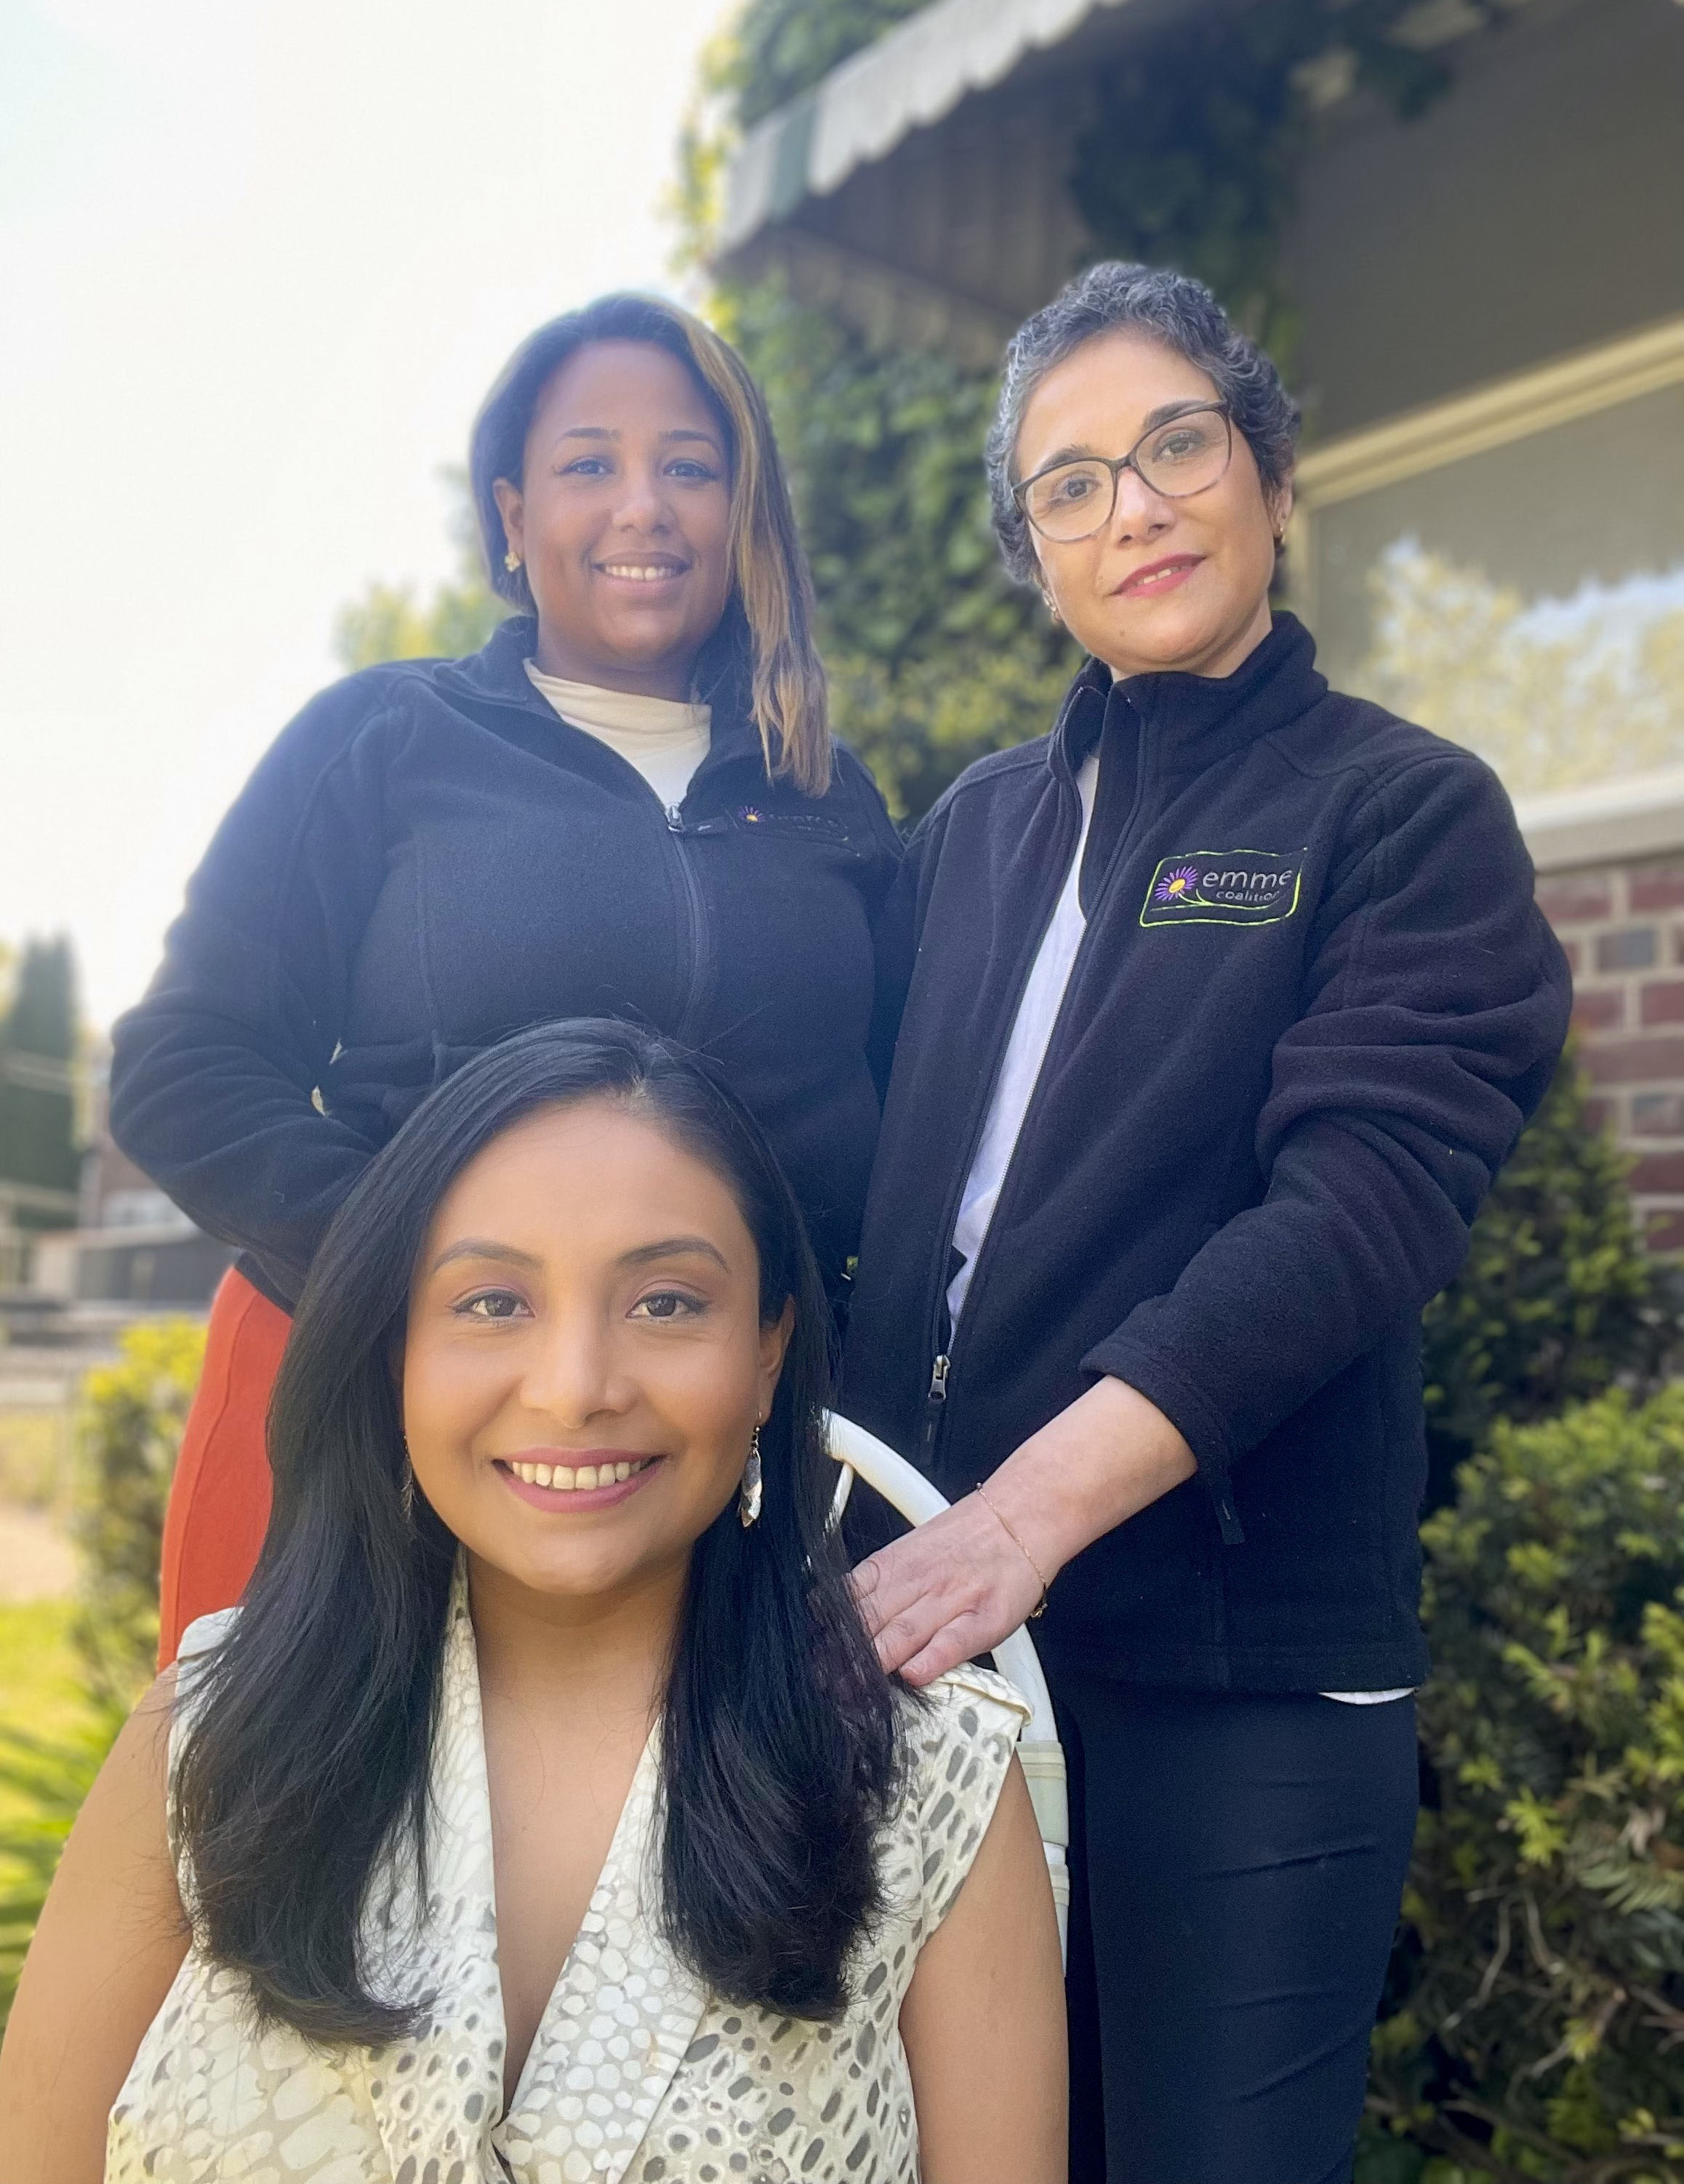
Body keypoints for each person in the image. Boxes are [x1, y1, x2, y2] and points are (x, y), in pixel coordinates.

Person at [839, 263, 1574, 2184]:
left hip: (1237, 1686)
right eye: (1070, 484)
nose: (1134, 509)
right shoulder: (969, 836)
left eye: (1176, 445)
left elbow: (1355, 1214)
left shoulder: (1402, 814)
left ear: (1271, 476)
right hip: (939, 1661)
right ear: (1035, 555)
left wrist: (1020, 1519)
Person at [1, 1020, 1067, 2184]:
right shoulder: (208, 1733)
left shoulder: (936, 1785)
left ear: (769, 1352)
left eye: (666, 1303)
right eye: (493, 1302)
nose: (575, 1390)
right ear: (397, 1347)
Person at [108, 294, 903, 1666]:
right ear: (512, 516)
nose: (643, 504)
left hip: (699, 1459)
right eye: (590, 463)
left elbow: (881, 1127)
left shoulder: (830, 798)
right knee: (296, 1796)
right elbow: (184, 1065)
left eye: (690, 466)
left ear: (743, 515)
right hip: (372, 1413)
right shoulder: (383, 741)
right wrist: (433, 1289)